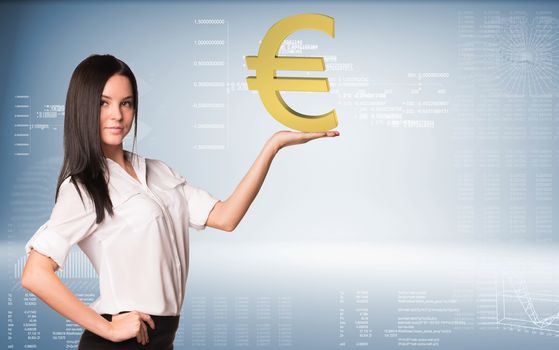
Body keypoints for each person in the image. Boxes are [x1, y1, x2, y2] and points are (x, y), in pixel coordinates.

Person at [20, 54, 339, 349]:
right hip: (121, 339)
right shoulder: (83, 186)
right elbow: (35, 274)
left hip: (162, 337)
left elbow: (226, 218)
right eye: (104, 103)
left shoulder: (159, 172)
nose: (117, 115)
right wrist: (108, 329)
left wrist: (273, 145)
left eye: (126, 103)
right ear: (83, 107)